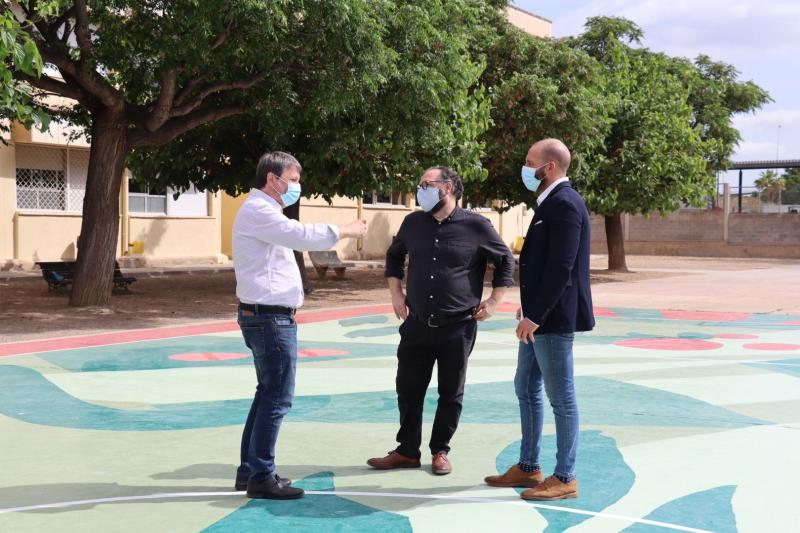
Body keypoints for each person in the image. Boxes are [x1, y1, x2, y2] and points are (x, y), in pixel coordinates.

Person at [232, 151, 367, 499]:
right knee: (276, 397)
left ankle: (251, 470)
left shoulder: (263, 210)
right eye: (293, 180)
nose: (297, 186)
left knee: (266, 393)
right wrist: (345, 230)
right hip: (270, 318)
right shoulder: (260, 210)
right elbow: (301, 235)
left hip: (266, 316)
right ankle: (261, 476)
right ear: (272, 179)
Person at [367, 166, 515, 475]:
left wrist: (494, 301)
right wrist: (396, 293)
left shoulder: (477, 225)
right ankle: (407, 451)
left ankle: (440, 451)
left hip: (457, 327)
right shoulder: (413, 223)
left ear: (446, 188)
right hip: (416, 324)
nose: (419, 190)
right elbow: (394, 256)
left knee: (451, 392)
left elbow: (505, 261)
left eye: (426, 184)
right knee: (408, 389)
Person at [484, 138, 595, 500]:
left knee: (561, 397)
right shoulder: (550, 203)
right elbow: (545, 264)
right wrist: (529, 308)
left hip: (553, 320)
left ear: (549, 167)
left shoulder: (565, 203)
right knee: (525, 387)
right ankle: (529, 467)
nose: (525, 167)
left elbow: (562, 267)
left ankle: (565, 477)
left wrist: (537, 314)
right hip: (539, 317)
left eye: (530, 162)